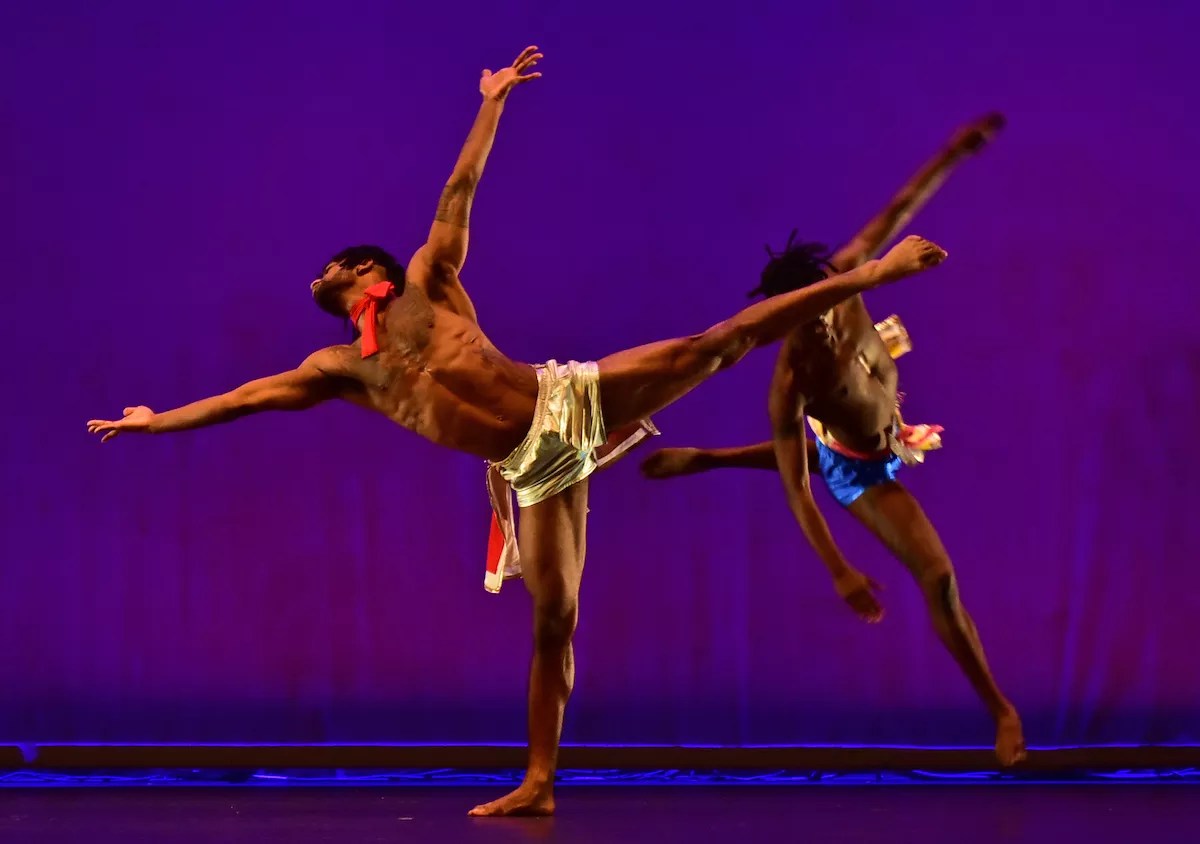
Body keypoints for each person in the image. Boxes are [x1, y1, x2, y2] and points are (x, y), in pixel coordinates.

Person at [86, 45, 950, 814]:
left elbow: (459, 190)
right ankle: (539, 780)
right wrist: (157, 421)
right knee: (554, 617)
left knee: (712, 346)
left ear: (362, 269)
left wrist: (492, 100)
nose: (317, 276)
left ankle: (867, 277)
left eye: (329, 267)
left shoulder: (428, 279)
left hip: (564, 402)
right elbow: (244, 398)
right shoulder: (337, 367)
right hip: (528, 465)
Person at [639, 113, 1026, 766]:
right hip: (860, 467)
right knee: (938, 577)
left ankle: (708, 458)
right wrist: (839, 570)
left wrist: (954, 152)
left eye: (819, 310)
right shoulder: (791, 383)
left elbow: (898, 209)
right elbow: (798, 492)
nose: (817, 325)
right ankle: (1001, 708)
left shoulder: (848, 280)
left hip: (881, 417)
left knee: (830, 447)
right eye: (802, 321)